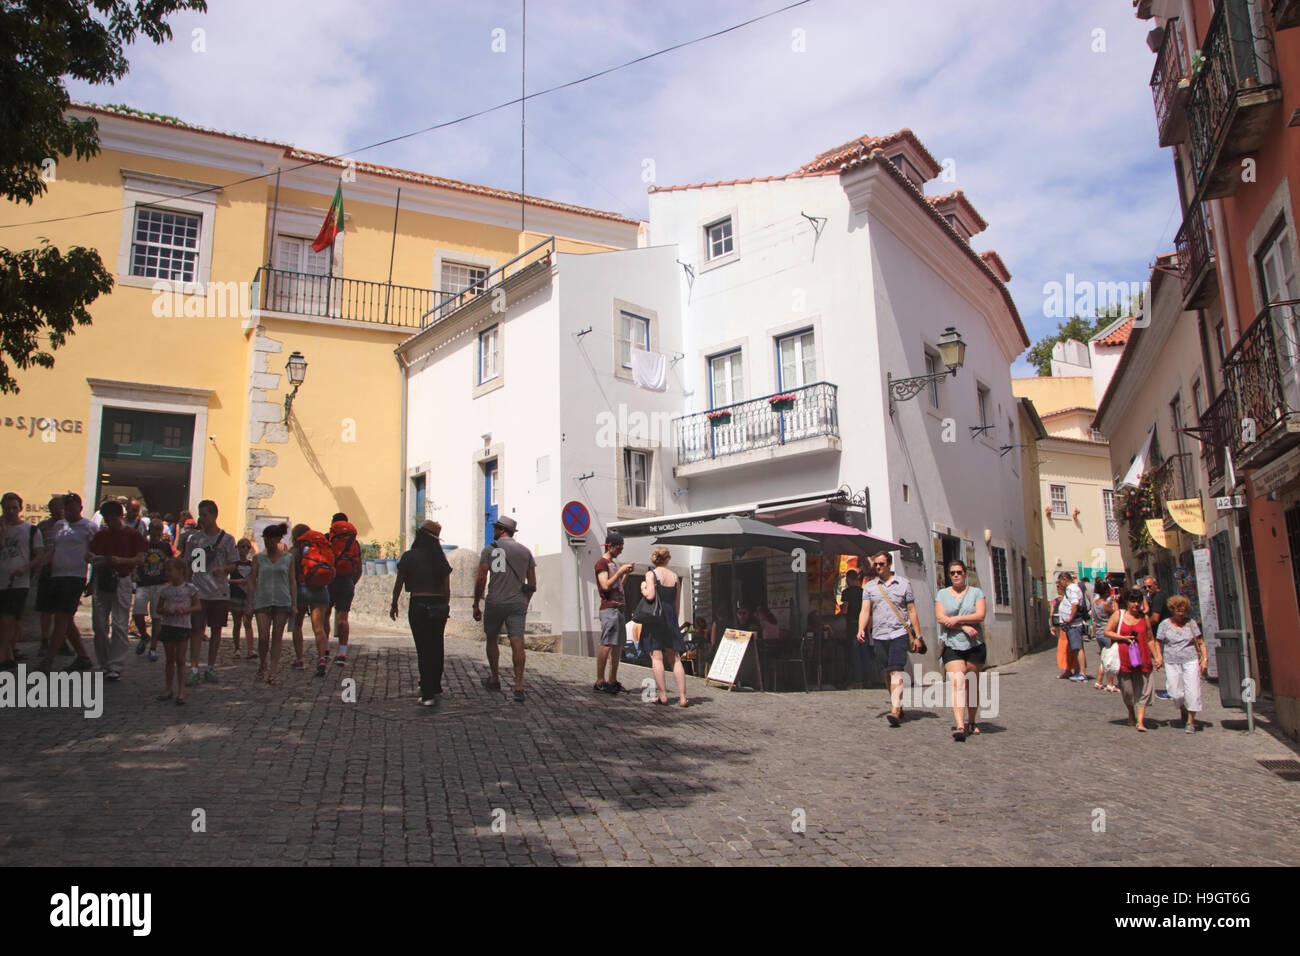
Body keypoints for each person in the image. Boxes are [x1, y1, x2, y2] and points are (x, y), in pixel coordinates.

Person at [473, 516, 536, 703]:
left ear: (501, 530)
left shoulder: (490, 550)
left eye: (496, 528)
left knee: (492, 639)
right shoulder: (525, 552)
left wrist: (476, 603)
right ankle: (518, 687)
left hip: (495, 601)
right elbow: (532, 583)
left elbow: (481, 577)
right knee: (518, 642)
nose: (494, 530)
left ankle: (494, 678)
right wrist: (525, 601)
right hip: (517, 602)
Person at [857, 551, 923, 727]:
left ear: (890, 564)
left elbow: (911, 610)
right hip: (879, 634)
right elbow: (865, 610)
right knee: (887, 672)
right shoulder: (870, 587)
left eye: (881, 564)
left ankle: (894, 710)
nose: (878, 567)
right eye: (876, 564)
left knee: (895, 670)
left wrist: (918, 635)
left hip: (899, 633)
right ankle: (897, 703)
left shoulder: (904, 584)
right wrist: (861, 629)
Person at [391, 520, 453, 707]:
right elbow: (447, 588)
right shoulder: (440, 558)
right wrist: (444, 605)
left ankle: (427, 693)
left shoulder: (410, 557)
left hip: (418, 604)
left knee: (423, 649)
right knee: (437, 646)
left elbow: (399, 582)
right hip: (438, 604)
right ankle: (434, 685)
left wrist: (394, 603)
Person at [182, 500, 238, 686]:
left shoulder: (228, 539)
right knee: (196, 629)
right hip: (199, 590)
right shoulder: (195, 540)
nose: (202, 518)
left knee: (216, 630)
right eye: (200, 514)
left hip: (219, 591)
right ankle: (194, 667)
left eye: (205, 514)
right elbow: (189, 564)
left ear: (214, 515)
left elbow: (234, 563)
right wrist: (186, 587)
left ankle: (211, 666)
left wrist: (223, 569)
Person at [88, 500, 146, 681]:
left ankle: (116, 664)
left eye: (113, 517)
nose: (110, 520)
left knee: (120, 624)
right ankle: (104, 662)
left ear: (119, 516)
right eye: (107, 517)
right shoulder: (100, 535)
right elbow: (90, 554)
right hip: (102, 578)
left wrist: (120, 561)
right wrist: (95, 561)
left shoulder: (134, 535)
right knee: (99, 624)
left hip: (122, 579)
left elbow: (140, 559)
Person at [42, 494, 96, 672]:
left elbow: (96, 553)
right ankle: (83, 656)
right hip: (57, 575)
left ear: (80, 508)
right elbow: (54, 550)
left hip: (75, 577)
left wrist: (93, 580)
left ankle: (48, 660)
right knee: (66, 620)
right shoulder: (59, 525)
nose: (70, 513)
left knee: (61, 618)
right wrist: (37, 565)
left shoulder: (89, 527)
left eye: (73, 509)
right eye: (68, 509)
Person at [935, 559, 986, 741]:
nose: (955, 575)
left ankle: (971, 721)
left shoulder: (976, 593)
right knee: (957, 682)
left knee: (971, 684)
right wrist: (963, 626)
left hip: (975, 644)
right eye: (952, 573)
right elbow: (941, 618)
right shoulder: (942, 594)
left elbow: (980, 615)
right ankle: (959, 725)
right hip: (951, 644)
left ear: (965, 574)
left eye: (959, 572)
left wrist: (955, 620)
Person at [246, 523, 295, 684]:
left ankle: (273, 672)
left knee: (277, 637)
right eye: (265, 539)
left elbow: (292, 581)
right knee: (263, 637)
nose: (267, 542)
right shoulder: (258, 558)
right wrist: (250, 602)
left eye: (270, 539)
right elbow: (252, 580)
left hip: (282, 600)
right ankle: (262, 664)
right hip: (262, 599)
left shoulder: (288, 558)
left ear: (278, 539)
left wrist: (294, 603)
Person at [1106, 588, 1159, 732]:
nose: (1136, 604)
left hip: (1143, 658)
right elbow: (1107, 631)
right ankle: (1131, 712)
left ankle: (1140, 721)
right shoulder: (1119, 615)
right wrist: (1123, 638)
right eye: (1133, 601)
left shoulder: (1144, 618)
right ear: (1127, 602)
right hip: (1124, 659)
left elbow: (1150, 639)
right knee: (1127, 691)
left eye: (1138, 601)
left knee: (1143, 690)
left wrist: (1157, 657)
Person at [0, 493, 43, 670]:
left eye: (14, 508)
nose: (10, 511)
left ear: (20, 508)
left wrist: (25, 569)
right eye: (7, 508)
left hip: (18, 581)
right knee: (6, 620)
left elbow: (39, 555)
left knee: (8, 618)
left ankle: (5, 654)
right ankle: (8, 650)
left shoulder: (31, 530)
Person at [642, 546, 687, 707]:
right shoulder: (675, 576)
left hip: (655, 618)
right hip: (670, 617)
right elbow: (677, 604)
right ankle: (682, 697)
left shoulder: (651, 574)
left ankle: (663, 695)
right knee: (675, 657)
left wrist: (643, 588)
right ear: (667, 559)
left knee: (657, 657)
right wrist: (673, 620)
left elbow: (650, 595)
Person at [1157, 595, 1207, 733]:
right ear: (1172, 610)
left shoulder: (1191, 623)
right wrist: (1158, 657)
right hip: (1171, 661)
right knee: (1175, 692)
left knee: (1193, 690)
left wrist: (1204, 659)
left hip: (1190, 660)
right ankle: (1183, 709)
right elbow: (1158, 642)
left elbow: (1201, 642)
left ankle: (1190, 721)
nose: (1181, 613)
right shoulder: (1164, 625)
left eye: (1183, 610)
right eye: (1178, 610)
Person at [593, 531, 635, 694]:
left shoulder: (613, 564)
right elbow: (605, 585)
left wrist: (624, 574)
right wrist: (619, 572)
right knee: (607, 643)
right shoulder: (602, 564)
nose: (620, 552)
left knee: (617, 646)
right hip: (609, 608)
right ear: (610, 546)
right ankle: (600, 680)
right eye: (618, 548)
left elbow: (617, 585)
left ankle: (613, 679)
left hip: (618, 608)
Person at [155, 557, 199, 705]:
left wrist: (185, 610)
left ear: (180, 571)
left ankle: (181, 690)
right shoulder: (165, 590)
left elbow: (197, 606)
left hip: (183, 626)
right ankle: (168, 688)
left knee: (180, 659)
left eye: (170, 570)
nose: (167, 573)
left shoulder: (189, 589)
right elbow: (158, 609)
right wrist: (166, 611)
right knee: (169, 659)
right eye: (166, 570)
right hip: (168, 625)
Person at [290, 523, 332, 676]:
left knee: (297, 625)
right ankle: (321, 658)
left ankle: (299, 659)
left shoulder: (294, 551)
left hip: (302, 589)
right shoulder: (319, 549)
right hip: (320, 589)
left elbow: (292, 576)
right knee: (318, 627)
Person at [132, 518, 174, 662]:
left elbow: (170, 562)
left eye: (158, 529)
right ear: (149, 530)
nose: (156, 531)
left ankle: (153, 648)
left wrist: (170, 578)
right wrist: (134, 573)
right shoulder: (143, 544)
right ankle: (144, 635)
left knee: (157, 618)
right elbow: (136, 559)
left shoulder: (165, 547)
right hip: (143, 583)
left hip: (159, 584)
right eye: (153, 528)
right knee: (137, 613)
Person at [325, 513, 363, 666]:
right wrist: (351, 582)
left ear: (332, 524)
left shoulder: (327, 538)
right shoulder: (354, 542)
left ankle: (325, 648)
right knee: (343, 618)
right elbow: (358, 567)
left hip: (328, 581)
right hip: (346, 581)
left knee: (324, 615)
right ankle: (342, 652)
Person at [1142, 576, 1173, 700]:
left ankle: (1171, 690)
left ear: (1156, 585)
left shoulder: (1158, 598)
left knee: (1167, 662)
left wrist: (1144, 624)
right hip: (1163, 634)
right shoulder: (1154, 597)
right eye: (1145, 587)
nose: (1148, 589)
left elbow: (1155, 618)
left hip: (1164, 634)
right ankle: (1172, 688)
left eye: (1149, 586)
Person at [227, 537, 255, 659]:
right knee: (237, 623)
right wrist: (238, 581)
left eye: (248, 547)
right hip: (235, 595)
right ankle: (236, 648)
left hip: (248, 596)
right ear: (237, 548)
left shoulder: (252, 564)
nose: (245, 549)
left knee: (248, 622)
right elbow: (225, 579)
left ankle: (250, 649)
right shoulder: (233, 564)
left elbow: (254, 580)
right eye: (242, 546)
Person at [1060, 572, 1089, 681]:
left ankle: (1082, 673)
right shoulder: (1075, 588)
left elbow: (1075, 603)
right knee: (1076, 647)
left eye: (1061, 582)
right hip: (1074, 623)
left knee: (1078, 647)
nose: (1061, 584)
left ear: (1064, 580)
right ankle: (1078, 671)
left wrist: (1070, 618)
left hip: (1074, 623)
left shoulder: (1071, 589)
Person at [840, 569, 866, 688]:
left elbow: (845, 610)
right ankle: (866, 679)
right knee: (862, 652)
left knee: (853, 653)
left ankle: (857, 680)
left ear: (849, 579)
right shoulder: (863, 592)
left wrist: (841, 611)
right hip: (863, 624)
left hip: (852, 624)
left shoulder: (846, 592)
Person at [1091, 580, 1118, 692]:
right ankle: (1110, 684)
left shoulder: (1094, 603)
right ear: (1106, 591)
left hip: (1099, 633)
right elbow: (1116, 613)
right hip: (1107, 632)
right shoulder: (1105, 604)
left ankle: (1099, 681)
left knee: (1103, 658)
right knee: (1110, 659)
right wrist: (1115, 601)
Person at [1052, 577, 1070, 678]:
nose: (1058, 588)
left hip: (1067, 625)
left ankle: (1071, 669)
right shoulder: (1059, 599)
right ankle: (1067, 669)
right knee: (1064, 649)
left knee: (1067, 648)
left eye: (1059, 586)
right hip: (1062, 625)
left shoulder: (1067, 597)